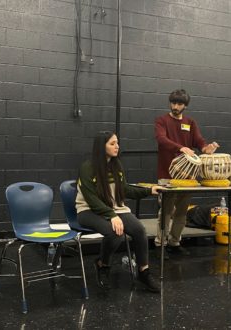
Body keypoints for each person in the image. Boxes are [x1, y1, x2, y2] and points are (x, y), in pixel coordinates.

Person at [76, 131, 162, 293]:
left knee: (138, 230)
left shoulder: (117, 166)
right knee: (114, 232)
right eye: (112, 143)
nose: (117, 146)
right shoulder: (87, 168)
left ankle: (143, 272)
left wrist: (149, 190)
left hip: (115, 209)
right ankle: (103, 264)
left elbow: (125, 190)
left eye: (117, 143)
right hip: (88, 211)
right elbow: (92, 200)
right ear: (102, 147)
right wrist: (112, 216)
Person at [154, 89, 218, 258]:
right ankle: (161, 244)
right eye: (173, 103)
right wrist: (181, 147)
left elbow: (199, 142)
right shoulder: (162, 120)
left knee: (182, 211)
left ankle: (175, 242)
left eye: (179, 104)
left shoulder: (190, 122)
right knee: (166, 211)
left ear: (185, 106)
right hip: (166, 174)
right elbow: (161, 139)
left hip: (188, 178)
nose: (175, 106)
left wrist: (207, 148)